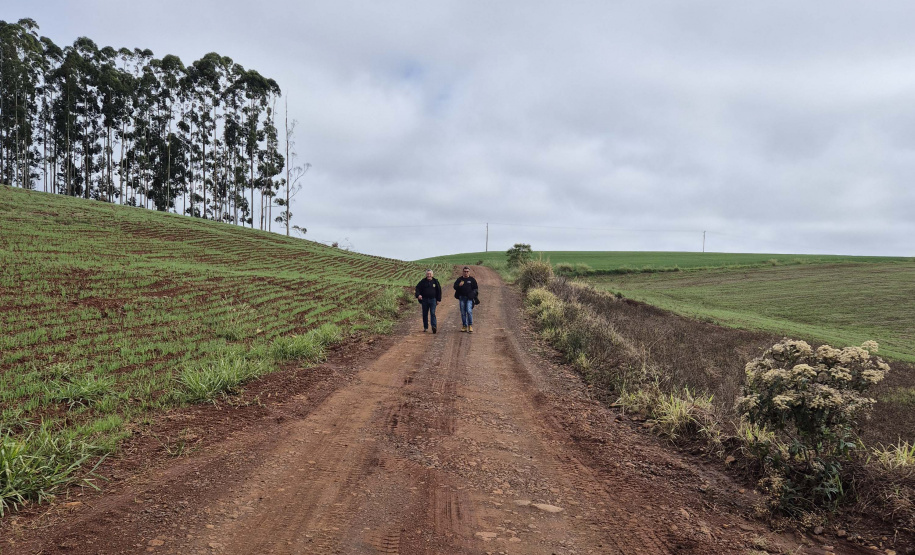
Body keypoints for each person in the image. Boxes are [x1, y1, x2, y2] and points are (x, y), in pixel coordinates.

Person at [414, 269, 442, 333]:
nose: (429, 275)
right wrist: (418, 295)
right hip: (424, 300)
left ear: (432, 275)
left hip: (433, 300)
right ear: (426, 275)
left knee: (432, 313)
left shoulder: (435, 281)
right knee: (425, 314)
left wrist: (438, 299)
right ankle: (425, 327)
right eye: (427, 274)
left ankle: (434, 326)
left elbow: (439, 291)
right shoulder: (422, 282)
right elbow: (417, 288)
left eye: (430, 274)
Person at [453, 266, 478, 333]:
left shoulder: (472, 280)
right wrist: (459, 285)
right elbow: (455, 287)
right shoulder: (459, 279)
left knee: (469, 311)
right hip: (462, 298)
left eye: (467, 271)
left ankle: (470, 325)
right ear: (463, 272)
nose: (466, 273)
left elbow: (475, 289)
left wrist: (473, 294)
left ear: (469, 272)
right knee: (463, 312)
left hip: (469, 298)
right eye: (465, 271)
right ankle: (464, 325)